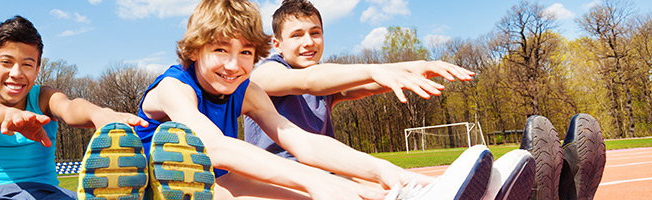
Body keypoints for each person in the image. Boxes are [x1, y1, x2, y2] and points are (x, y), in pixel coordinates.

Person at [133, 0, 446, 199]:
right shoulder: (174, 86)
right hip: (163, 182)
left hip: (215, 179)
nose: (233, 65)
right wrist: (312, 181)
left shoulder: (247, 90)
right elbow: (215, 148)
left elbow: (302, 142)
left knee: (348, 192)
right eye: (219, 50)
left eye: (244, 53)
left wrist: (388, 172)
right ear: (193, 50)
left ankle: (413, 191)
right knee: (310, 189)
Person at [244, 0, 475, 163]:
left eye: (315, 33)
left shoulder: (326, 84)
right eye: (297, 35)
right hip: (278, 176)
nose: (309, 42)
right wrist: (375, 70)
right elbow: (307, 81)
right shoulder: (265, 73)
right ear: (277, 44)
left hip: (323, 169)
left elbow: (368, 85)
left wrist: (418, 67)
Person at [0, 15, 149, 200]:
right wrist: (7, 115)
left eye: (27, 65)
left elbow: (69, 107)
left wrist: (99, 114)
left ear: (37, 69)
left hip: (49, 192)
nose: (16, 73)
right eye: (6, 62)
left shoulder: (43, 98)